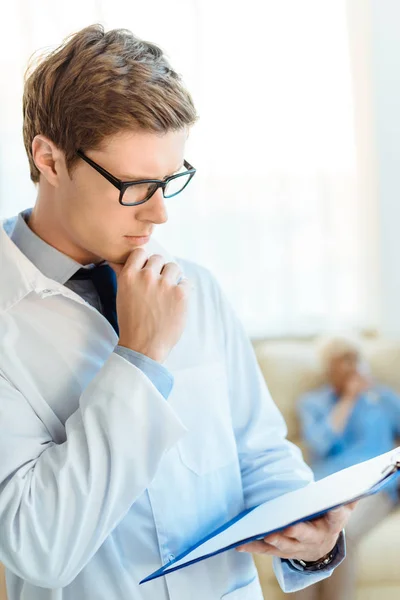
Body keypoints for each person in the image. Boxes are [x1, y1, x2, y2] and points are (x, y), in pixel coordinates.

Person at [0, 25, 353, 600]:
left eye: (170, 181)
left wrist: (313, 541)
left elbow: (260, 454)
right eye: (137, 185)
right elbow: (39, 547)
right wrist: (141, 358)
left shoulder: (200, 289)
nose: (160, 214)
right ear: (49, 159)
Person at [293, 335, 400, 600]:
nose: (351, 367)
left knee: (342, 533)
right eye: (342, 361)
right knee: (302, 536)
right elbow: (320, 444)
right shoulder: (313, 403)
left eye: (354, 359)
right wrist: (348, 400)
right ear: (328, 369)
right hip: (325, 487)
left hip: (374, 487)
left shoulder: (382, 398)